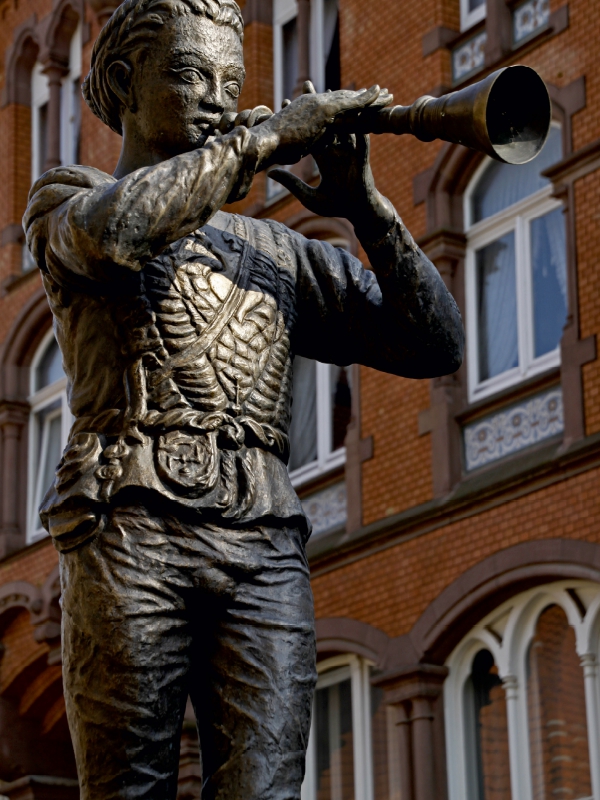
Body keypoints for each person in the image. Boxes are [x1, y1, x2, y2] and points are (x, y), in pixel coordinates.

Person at [23, 0, 464, 797]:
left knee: (267, 788)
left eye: (231, 81)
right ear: (125, 82)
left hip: (265, 540)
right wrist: (266, 140)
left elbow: (434, 342)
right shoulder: (68, 197)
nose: (218, 100)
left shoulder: (275, 251)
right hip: (129, 524)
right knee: (130, 788)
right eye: (191, 75)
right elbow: (119, 232)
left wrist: (368, 206)